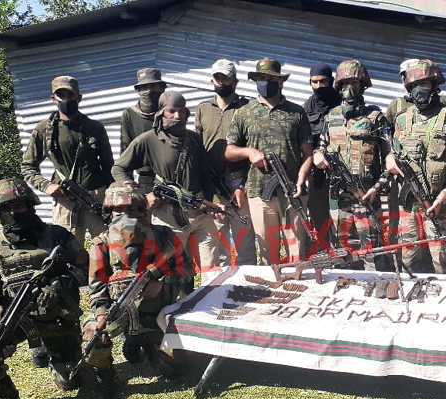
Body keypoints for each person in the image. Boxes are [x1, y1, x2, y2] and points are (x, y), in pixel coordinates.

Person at [0, 178, 89, 399]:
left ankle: (49, 351)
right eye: (6, 209)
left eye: (18, 206)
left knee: (69, 381)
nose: (13, 213)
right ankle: (7, 397)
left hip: (57, 316)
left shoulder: (58, 236)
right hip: (18, 319)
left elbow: (87, 269)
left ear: (30, 205)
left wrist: (60, 283)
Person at [84, 183, 191, 397]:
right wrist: (102, 315)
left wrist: (163, 281)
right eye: (119, 210)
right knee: (93, 334)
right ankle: (107, 376)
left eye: (133, 209)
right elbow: (97, 288)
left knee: (176, 369)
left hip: (158, 315)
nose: (126, 215)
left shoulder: (164, 236)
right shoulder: (101, 244)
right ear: (109, 212)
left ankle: (146, 341)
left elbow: (187, 268)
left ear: (142, 209)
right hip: (120, 314)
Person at [112, 90, 224, 281]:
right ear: (161, 112)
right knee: (175, 273)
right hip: (168, 215)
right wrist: (140, 197)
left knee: (211, 270)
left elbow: (205, 174)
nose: (177, 116)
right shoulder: (148, 140)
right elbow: (118, 168)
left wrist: (213, 201)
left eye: (182, 111)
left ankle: (210, 297)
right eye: (171, 111)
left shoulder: (194, 139)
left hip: (199, 212)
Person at [380, 58, 446, 273]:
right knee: (409, 262)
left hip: (439, 205)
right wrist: (389, 159)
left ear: (435, 85)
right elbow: (395, 153)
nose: (419, 89)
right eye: (414, 85)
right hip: (409, 206)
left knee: (442, 264)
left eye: (424, 84)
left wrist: (443, 198)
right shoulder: (402, 119)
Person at [224, 58, 314, 264]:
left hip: (293, 193)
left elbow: (308, 153)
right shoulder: (245, 112)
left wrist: (301, 180)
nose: (265, 83)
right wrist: (249, 152)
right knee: (268, 255)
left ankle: (296, 281)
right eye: (261, 78)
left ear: (281, 81)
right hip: (259, 194)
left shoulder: (296, 112)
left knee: (296, 254)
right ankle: (274, 283)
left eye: (271, 79)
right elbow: (228, 151)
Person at [312, 59, 389, 269]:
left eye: (354, 83)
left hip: (367, 195)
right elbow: (321, 147)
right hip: (339, 198)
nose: (349, 88)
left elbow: (390, 159)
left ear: (363, 85)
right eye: (345, 83)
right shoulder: (331, 117)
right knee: (342, 251)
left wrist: (376, 188)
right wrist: (317, 155)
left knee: (372, 253)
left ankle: (376, 284)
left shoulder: (375, 117)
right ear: (338, 86)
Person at [21, 75, 114, 245]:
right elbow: (28, 167)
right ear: (53, 99)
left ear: (79, 98)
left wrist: (112, 195)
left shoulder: (94, 127)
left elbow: (109, 166)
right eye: (61, 95)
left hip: (96, 197)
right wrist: (46, 186)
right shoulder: (44, 130)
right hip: (65, 200)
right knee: (67, 250)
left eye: (70, 95)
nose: (66, 99)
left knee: (107, 247)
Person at [195, 59, 256, 266]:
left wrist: (243, 186)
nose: (221, 82)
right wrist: (207, 191)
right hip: (213, 186)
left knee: (245, 246)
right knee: (218, 248)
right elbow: (197, 148)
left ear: (235, 81)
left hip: (240, 184)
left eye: (226, 78)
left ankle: (251, 283)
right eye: (218, 78)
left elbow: (254, 148)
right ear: (212, 80)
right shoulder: (203, 108)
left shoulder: (247, 107)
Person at [304, 63, 342, 238]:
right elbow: (303, 141)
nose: (319, 86)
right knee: (319, 219)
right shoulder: (306, 108)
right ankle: (323, 250)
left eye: (323, 81)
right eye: (315, 82)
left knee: (344, 222)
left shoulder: (342, 103)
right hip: (318, 173)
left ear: (331, 81)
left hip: (342, 172)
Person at [120, 68, 167, 189]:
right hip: (145, 180)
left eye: (154, 86)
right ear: (138, 90)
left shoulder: (170, 112)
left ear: (162, 88)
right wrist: (128, 183)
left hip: (172, 177)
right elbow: (125, 150)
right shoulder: (130, 114)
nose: (149, 91)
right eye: (144, 87)